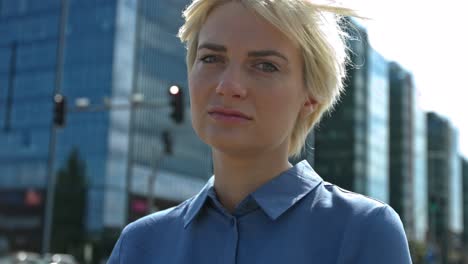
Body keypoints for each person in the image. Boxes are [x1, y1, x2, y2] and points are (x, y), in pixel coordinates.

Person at [108, 0, 412, 263]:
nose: (228, 86)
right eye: (211, 58)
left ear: (310, 97)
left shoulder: (364, 230)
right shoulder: (139, 245)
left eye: (265, 66)